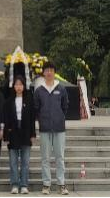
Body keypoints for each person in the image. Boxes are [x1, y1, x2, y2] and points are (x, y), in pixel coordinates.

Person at [33, 61, 69, 196]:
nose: (49, 72)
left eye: (51, 70)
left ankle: (61, 184)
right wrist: (42, 119)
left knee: (60, 157)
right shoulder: (39, 91)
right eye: (46, 70)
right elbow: (36, 109)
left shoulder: (61, 89)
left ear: (54, 72)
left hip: (59, 128)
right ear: (43, 73)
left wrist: (59, 117)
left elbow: (65, 106)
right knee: (45, 158)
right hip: (45, 129)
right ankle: (46, 184)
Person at [3, 75, 35, 194]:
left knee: (25, 161)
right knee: (13, 161)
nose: (18, 87)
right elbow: (6, 119)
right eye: (16, 84)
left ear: (24, 86)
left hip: (26, 133)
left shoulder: (29, 100)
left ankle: (24, 185)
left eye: (20, 84)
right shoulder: (9, 101)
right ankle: (15, 184)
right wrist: (6, 135)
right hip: (13, 133)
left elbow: (32, 119)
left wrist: (33, 134)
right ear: (13, 86)